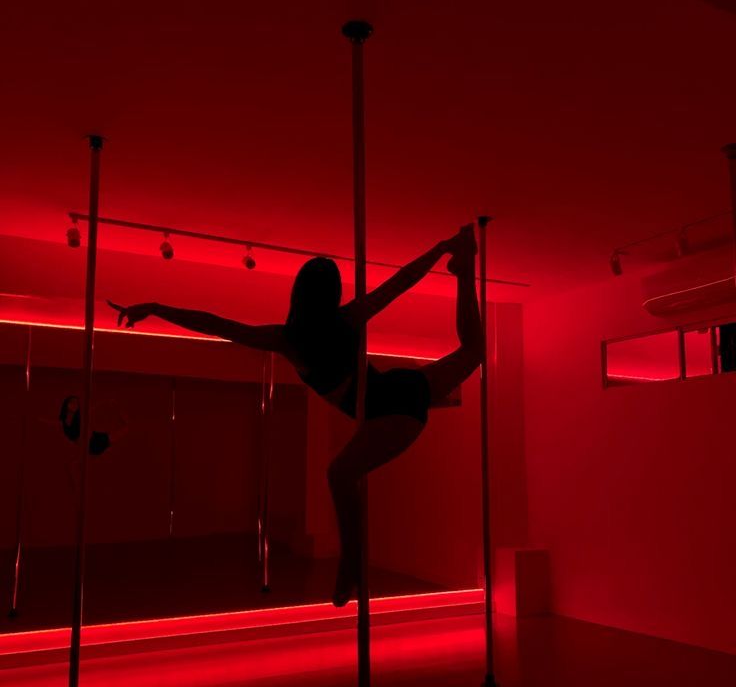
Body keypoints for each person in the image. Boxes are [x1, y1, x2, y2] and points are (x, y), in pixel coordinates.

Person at [109, 224, 482, 606]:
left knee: (340, 473)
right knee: (472, 352)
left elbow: (217, 325)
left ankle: (351, 564)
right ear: (332, 293)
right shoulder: (346, 319)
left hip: (391, 406)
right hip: (401, 387)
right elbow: (400, 282)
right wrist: (439, 249)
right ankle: (464, 262)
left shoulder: (287, 339)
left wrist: (155, 307)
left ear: (298, 296)